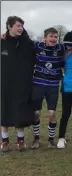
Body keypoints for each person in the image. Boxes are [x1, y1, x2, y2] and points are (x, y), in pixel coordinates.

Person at [0, 16, 36, 152]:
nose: (21, 28)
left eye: (22, 26)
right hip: (5, 83)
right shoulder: (2, 42)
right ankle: (4, 141)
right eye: (18, 26)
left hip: (22, 83)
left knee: (20, 111)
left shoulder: (27, 43)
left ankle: (20, 141)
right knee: (4, 110)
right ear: (9, 26)